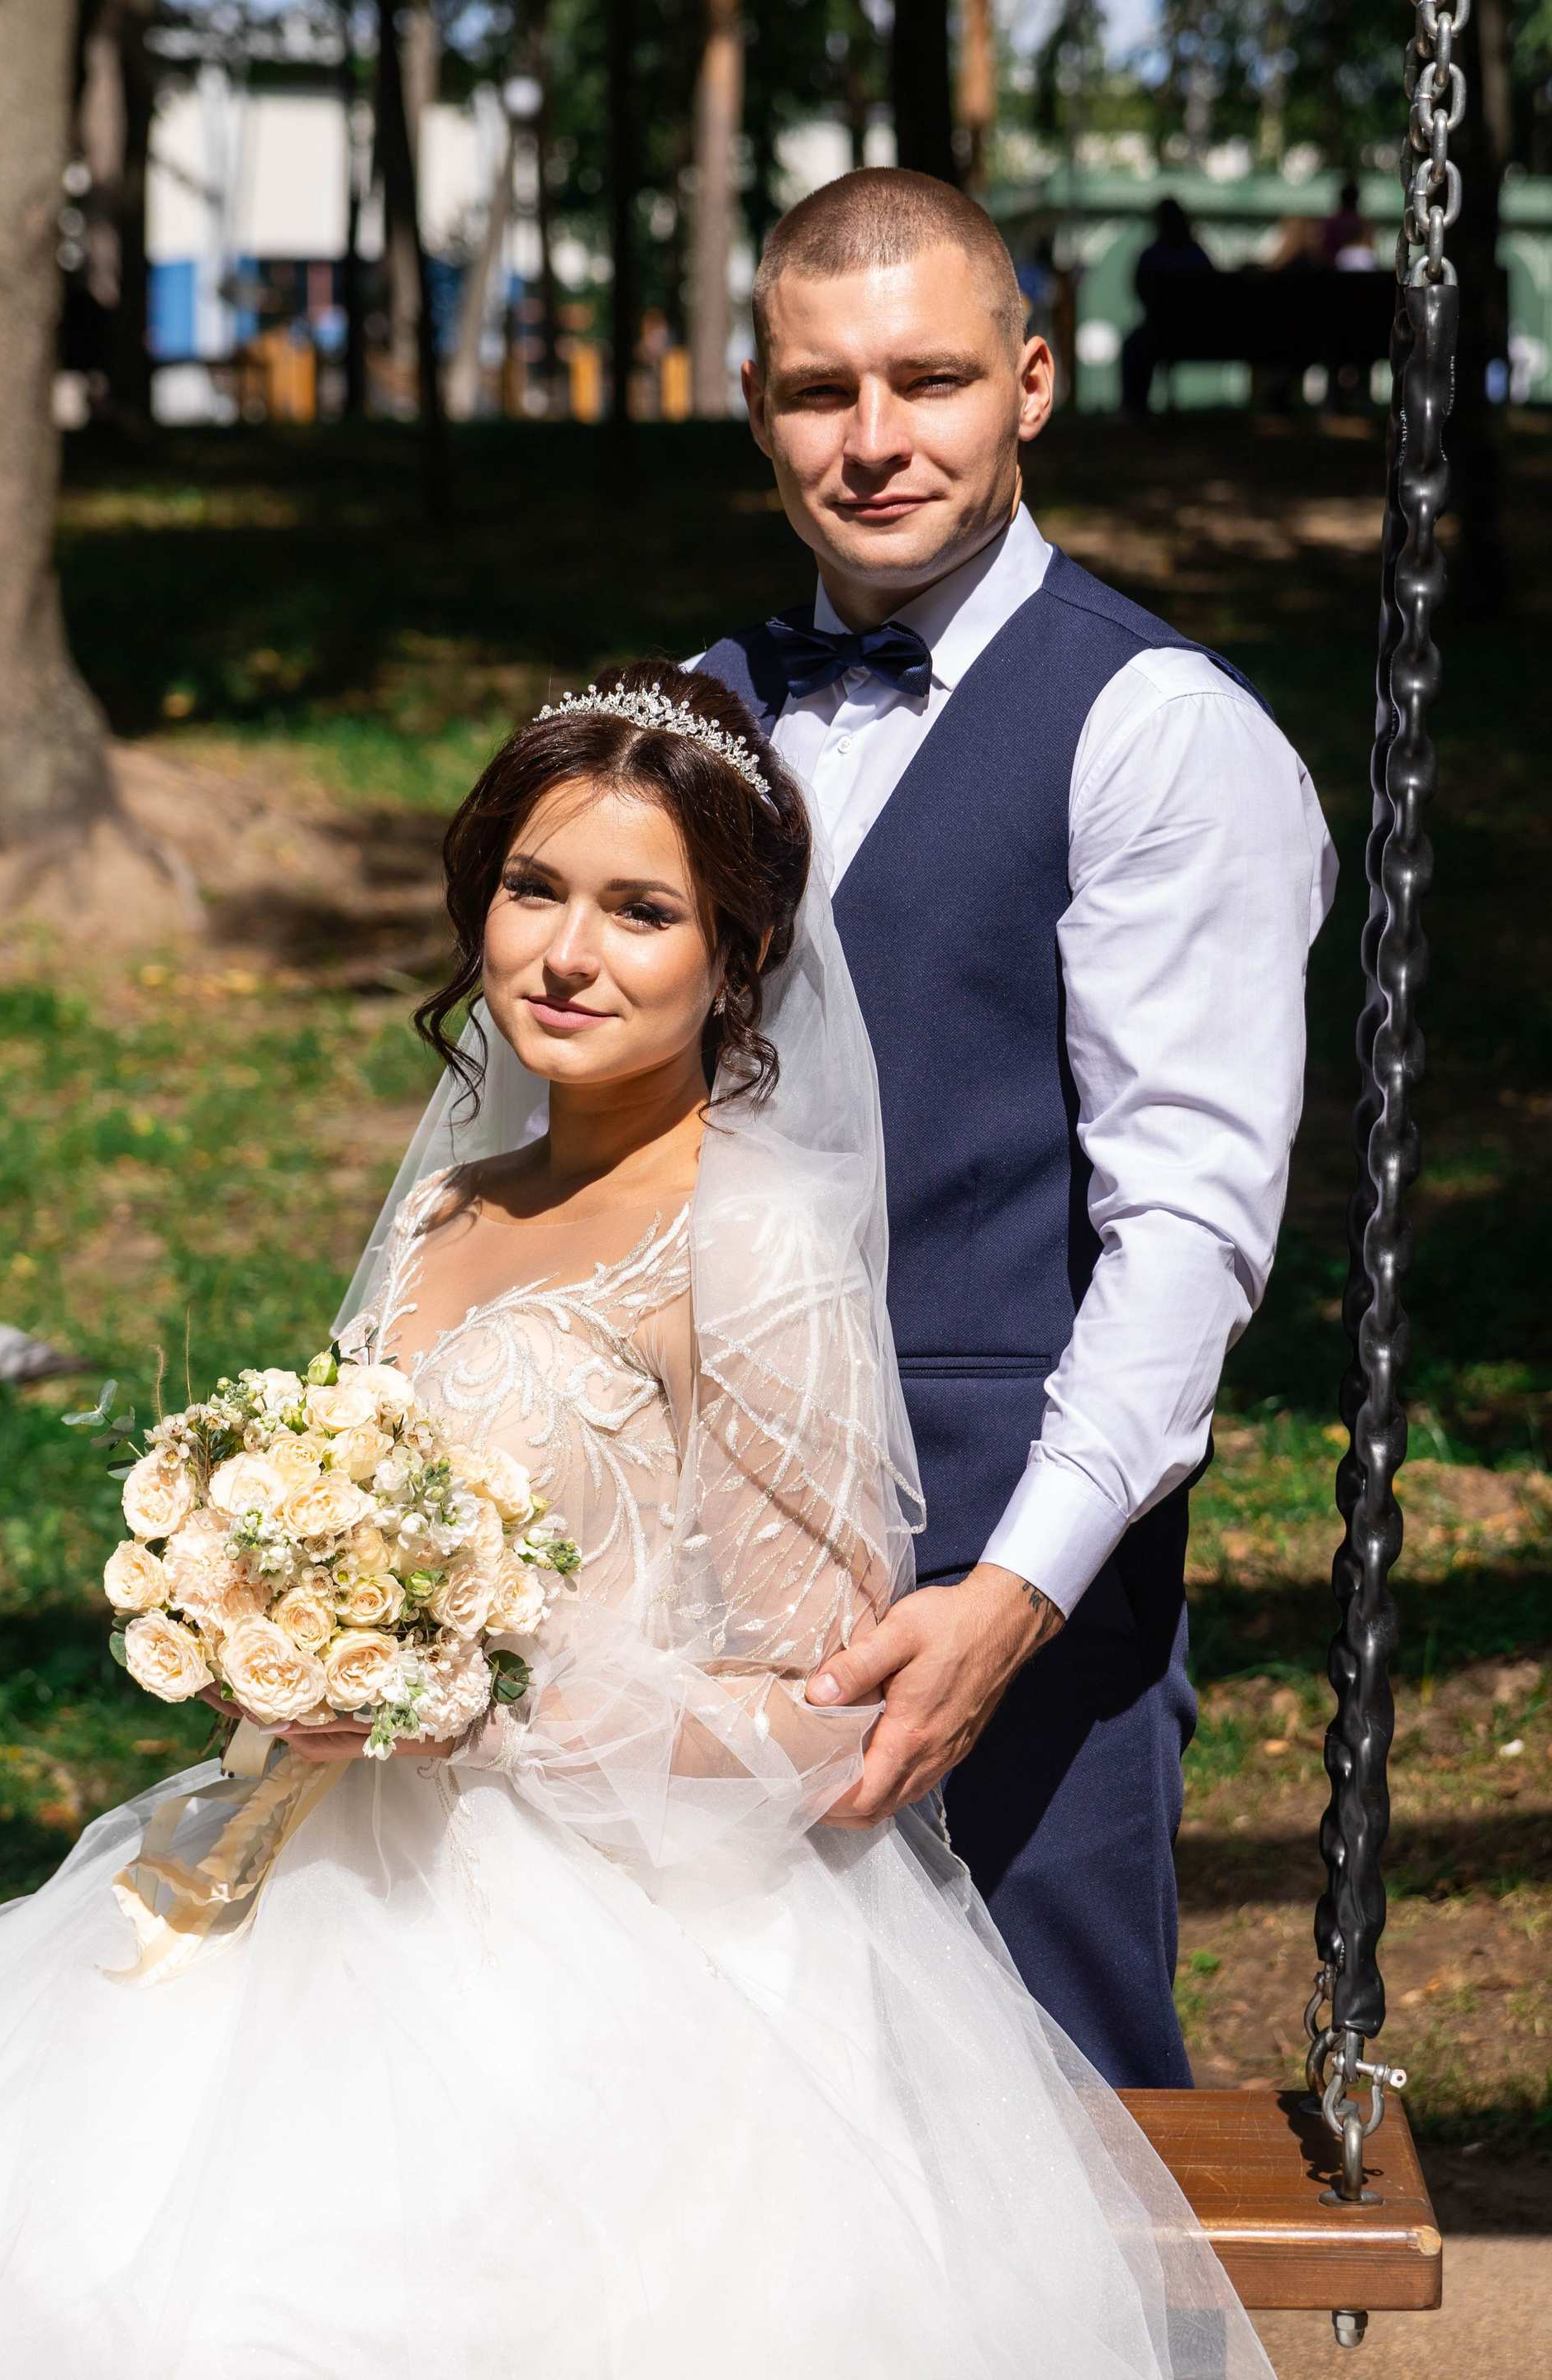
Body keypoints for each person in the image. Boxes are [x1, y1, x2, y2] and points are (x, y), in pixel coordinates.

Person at [0, 665, 1271, 2377]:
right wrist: (270, 1615)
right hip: (326, 1857)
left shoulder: (749, 1241)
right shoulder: (450, 1205)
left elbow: (825, 1714)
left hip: (619, 1943)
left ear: (736, 954)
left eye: (641, 911)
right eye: (535, 890)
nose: (568, 954)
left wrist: (472, 1707)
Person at [697, 168, 1335, 2090]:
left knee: (1050, 2134)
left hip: (1003, 1569)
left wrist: (1014, 1596)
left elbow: (1189, 1230)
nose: (876, 439)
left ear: (1031, 385)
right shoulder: (693, 713)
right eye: (824, 391)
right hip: (686, 1574)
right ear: (758, 406)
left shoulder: (1153, 729)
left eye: (932, 380)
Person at [1119, 194, 1216, 414]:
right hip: (1199, 333)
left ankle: (1135, 406)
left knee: (1134, 346)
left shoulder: (1151, 256)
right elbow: (1212, 292)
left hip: (1161, 333)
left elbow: (1140, 293)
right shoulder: (1197, 255)